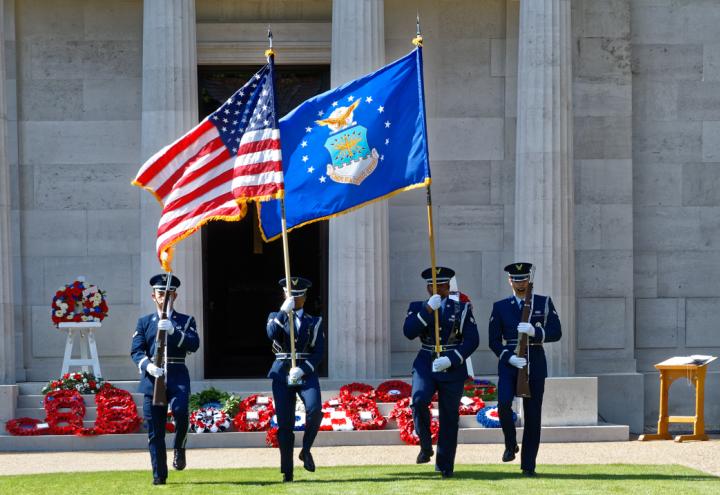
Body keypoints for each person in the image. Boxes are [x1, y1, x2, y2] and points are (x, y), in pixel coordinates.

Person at [403, 266, 479, 478]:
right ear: (428, 288)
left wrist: (451, 359)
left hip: (451, 365)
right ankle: (426, 446)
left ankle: (445, 465)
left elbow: (472, 340)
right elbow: (409, 332)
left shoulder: (461, 308)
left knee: (449, 416)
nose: (437, 288)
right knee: (418, 400)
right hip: (426, 362)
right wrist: (426, 311)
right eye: (432, 285)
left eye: (441, 285)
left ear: (447, 286)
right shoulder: (418, 307)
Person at [488, 262, 562, 477]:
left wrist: (534, 331)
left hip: (535, 362)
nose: (520, 283)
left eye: (523, 279)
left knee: (532, 416)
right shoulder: (500, 306)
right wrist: (508, 357)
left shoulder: (543, 302)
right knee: (502, 405)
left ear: (528, 279)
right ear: (509, 280)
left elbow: (556, 331)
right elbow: (494, 341)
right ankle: (511, 444)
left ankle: (528, 466)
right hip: (510, 363)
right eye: (516, 279)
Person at [131, 273, 200, 485]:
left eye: (169, 293)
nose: (165, 297)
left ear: (175, 296)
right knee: (155, 430)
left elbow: (193, 344)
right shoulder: (144, 322)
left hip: (177, 374)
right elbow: (136, 351)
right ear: (153, 296)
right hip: (153, 379)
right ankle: (159, 476)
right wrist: (149, 366)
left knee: (180, 412)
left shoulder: (186, 321)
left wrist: (173, 330)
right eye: (161, 293)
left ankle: (179, 446)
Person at [266, 277, 324, 482]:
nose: (295, 299)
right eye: (291, 295)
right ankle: (287, 471)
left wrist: (302, 369)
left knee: (315, 409)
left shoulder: (314, 321)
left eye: (298, 296)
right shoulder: (275, 316)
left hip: (305, 373)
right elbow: (271, 334)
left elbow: (318, 352)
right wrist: (283, 312)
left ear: (305, 297)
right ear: (285, 295)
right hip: (282, 372)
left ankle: (306, 449)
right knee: (285, 423)